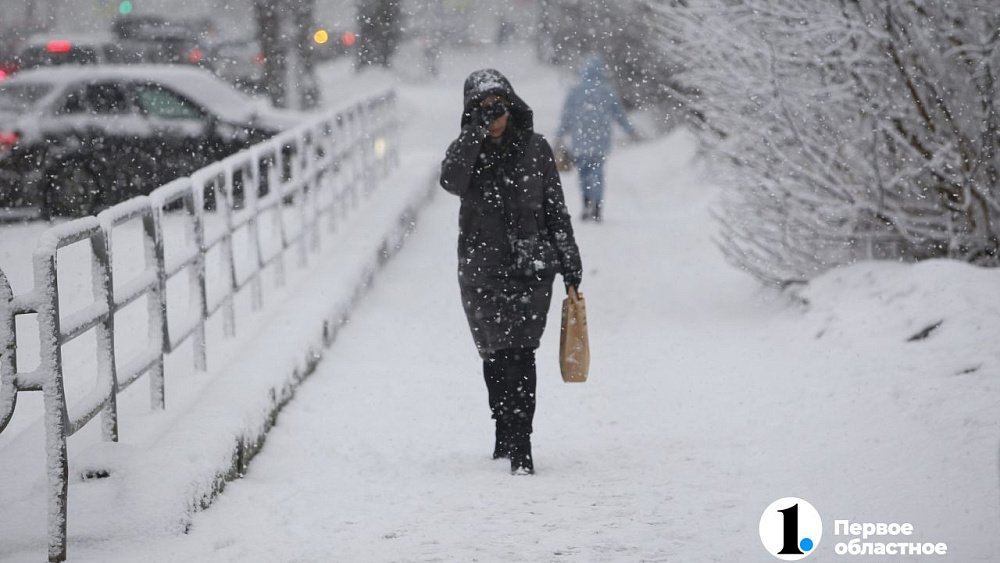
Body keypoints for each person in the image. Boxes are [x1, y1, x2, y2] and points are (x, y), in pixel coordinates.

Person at [440, 69, 583, 475]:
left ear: (513, 106)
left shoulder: (536, 150)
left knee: (521, 352)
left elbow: (555, 210)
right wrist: (474, 136)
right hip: (481, 269)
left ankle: (522, 442)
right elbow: (450, 181)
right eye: (484, 110)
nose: (495, 117)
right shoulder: (465, 152)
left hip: (531, 268)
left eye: (500, 107)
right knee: (495, 354)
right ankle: (503, 425)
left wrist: (569, 260)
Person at [556, 54, 639, 222]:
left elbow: (567, 116)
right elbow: (619, 115)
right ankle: (597, 206)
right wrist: (631, 131)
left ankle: (586, 202)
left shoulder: (575, 91)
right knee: (597, 173)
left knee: (583, 174)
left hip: (580, 140)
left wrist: (559, 136)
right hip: (601, 141)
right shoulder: (607, 91)